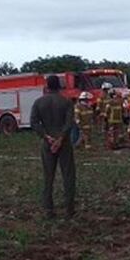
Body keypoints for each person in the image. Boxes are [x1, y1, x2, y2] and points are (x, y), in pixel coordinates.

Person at [30, 75, 77, 220]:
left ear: (47, 86)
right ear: (60, 86)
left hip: (47, 143)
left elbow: (34, 122)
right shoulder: (66, 102)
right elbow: (69, 123)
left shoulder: (39, 102)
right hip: (64, 143)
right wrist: (61, 138)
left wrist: (47, 137)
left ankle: (49, 209)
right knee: (68, 175)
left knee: (48, 176)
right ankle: (69, 209)